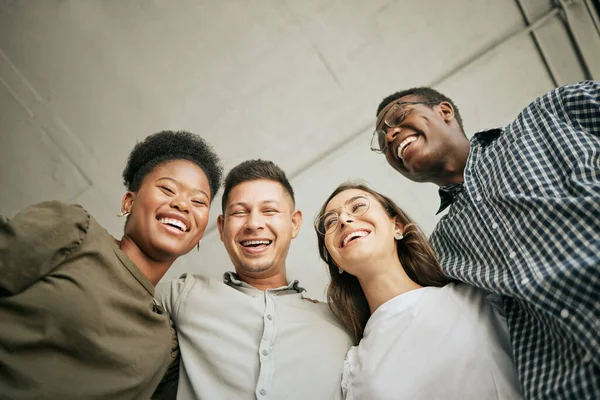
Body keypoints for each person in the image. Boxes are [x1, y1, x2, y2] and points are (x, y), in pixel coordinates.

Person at [370, 81, 600, 398]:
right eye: (383, 139)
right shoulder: (442, 248)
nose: (390, 135)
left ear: (444, 111)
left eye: (398, 117)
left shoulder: (550, 116)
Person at [0, 130, 223, 400]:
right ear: (129, 201)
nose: (182, 204)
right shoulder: (75, 231)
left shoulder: (168, 346)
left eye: (198, 202)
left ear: (199, 233)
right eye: (167, 189)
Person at [156, 159, 353, 400]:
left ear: (294, 223)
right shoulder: (181, 296)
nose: (253, 224)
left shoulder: (343, 322)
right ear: (221, 227)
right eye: (239, 212)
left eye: (269, 210)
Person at [314, 182, 521, 399]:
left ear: (398, 226)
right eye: (330, 222)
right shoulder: (353, 369)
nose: (344, 221)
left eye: (357, 207)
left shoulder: (477, 296)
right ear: (335, 259)